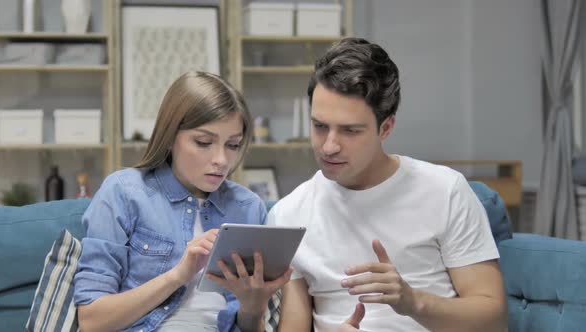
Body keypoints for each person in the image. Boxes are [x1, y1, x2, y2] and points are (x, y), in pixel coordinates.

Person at [268, 38, 508, 331]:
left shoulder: (445, 190)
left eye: (350, 131)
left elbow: (493, 319)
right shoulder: (288, 215)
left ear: (386, 127)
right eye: (319, 126)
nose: (329, 146)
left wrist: (412, 302)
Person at [73, 70, 291, 332]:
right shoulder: (124, 192)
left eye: (233, 145)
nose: (222, 160)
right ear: (170, 136)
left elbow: (249, 326)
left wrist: (253, 305)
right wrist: (178, 275)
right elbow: (92, 321)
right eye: (203, 142)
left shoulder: (248, 207)